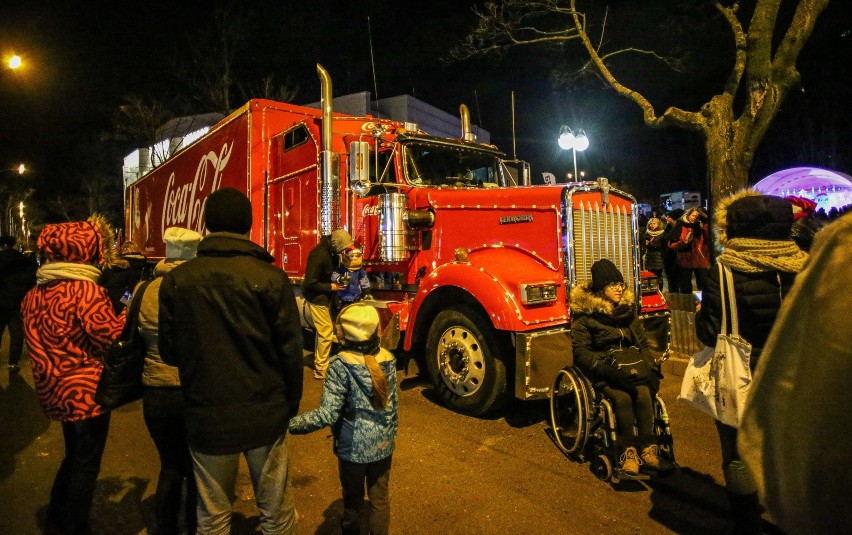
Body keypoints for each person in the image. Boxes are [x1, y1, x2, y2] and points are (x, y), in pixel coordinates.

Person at [159, 187, 303, 535]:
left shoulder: (177, 280)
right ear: (248, 225)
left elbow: (169, 352)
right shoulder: (270, 278)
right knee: (276, 514)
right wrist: (290, 404)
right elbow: (290, 351)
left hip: (206, 413)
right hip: (265, 413)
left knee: (212, 515)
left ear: (207, 224)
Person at [695, 190, 807, 535]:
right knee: (791, 448)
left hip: (741, 373)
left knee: (737, 453)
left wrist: (703, 316)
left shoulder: (725, 271)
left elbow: (710, 332)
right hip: (793, 372)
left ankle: (747, 523)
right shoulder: (806, 266)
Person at [738, 210, 852, 535]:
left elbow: (807, 442)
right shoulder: (803, 258)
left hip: (749, 361)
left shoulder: (844, 249)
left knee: (738, 451)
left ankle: (746, 521)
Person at [20, 215, 126, 535]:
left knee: (72, 455)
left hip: (54, 392)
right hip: (86, 394)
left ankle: (56, 512)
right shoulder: (85, 293)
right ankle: (74, 524)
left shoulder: (33, 296)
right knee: (86, 463)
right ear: (85, 250)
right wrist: (127, 306)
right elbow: (111, 339)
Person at [289, 303, 398, 535]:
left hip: (353, 450)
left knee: (353, 502)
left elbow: (327, 414)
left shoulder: (340, 364)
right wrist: (389, 438)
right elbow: (393, 407)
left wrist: (290, 425)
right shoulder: (388, 358)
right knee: (380, 500)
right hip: (384, 446)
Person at [570, 258, 673, 476]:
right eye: (612, 285)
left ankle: (647, 450)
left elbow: (643, 344)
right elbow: (582, 353)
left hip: (632, 367)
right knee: (622, 399)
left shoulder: (627, 312)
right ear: (600, 289)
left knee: (644, 394)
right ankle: (628, 452)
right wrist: (608, 371)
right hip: (606, 370)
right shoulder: (586, 317)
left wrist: (650, 368)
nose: (619, 289)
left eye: (620, 284)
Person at [137, 226, 203, 535]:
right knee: (196, 468)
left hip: (155, 392)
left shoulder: (143, 290)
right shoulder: (201, 289)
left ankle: (164, 528)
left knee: (170, 465)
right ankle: (193, 526)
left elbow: (129, 333)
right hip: (193, 390)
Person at [304, 228, 354, 379]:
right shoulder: (318, 255)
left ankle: (322, 362)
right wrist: (331, 287)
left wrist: (340, 279)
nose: (345, 251)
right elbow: (310, 284)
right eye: (344, 248)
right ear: (336, 245)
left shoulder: (332, 253)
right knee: (325, 333)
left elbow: (330, 274)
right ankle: (320, 369)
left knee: (325, 332)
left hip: (327, 297)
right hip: (318, 298)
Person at [0, 235, 37, 372]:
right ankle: (13, 362)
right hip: (16, 301)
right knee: (16, 332)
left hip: (1, 301)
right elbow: (31, 279)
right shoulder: (22, 260)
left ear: (2, 245)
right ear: (14, 244)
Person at [99, 239, 149, 314]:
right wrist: (125, 305)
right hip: (133, 312)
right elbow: (132, 290)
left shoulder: (112, 267)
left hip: (107, 310)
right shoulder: (144, 269)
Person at [668, 207, 710, 293]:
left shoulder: (701, 227)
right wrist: (684, 242)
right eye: (693, 215)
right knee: (685, 286)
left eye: (697, 216)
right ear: (688, 215)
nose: (695, 217)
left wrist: (705, 224)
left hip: (700, 260)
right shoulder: (680, 225)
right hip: (684, 260)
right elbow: (672, 245)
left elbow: (709, 239)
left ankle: (702, 304)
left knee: (703, 285)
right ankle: (687, 304)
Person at [661, 209, 683, 293]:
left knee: (679, 281)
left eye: (668, 217)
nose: (666, 218)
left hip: (678, 258)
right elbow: (663, 243)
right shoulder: (667, 228)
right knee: (671, 281)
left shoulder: (680, 228)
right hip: (668, 259)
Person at [642, 217, 666, 288]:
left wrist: (651, 244)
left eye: (654, 224)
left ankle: (659, 290)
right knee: (650, 275)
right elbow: (644, 245)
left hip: (658, 257)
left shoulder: (662, 233)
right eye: (651, 224)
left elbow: (662, 246)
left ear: (658, 224)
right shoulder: (647, 233)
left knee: (658, 275)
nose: (652, 225)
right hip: (650, 257)